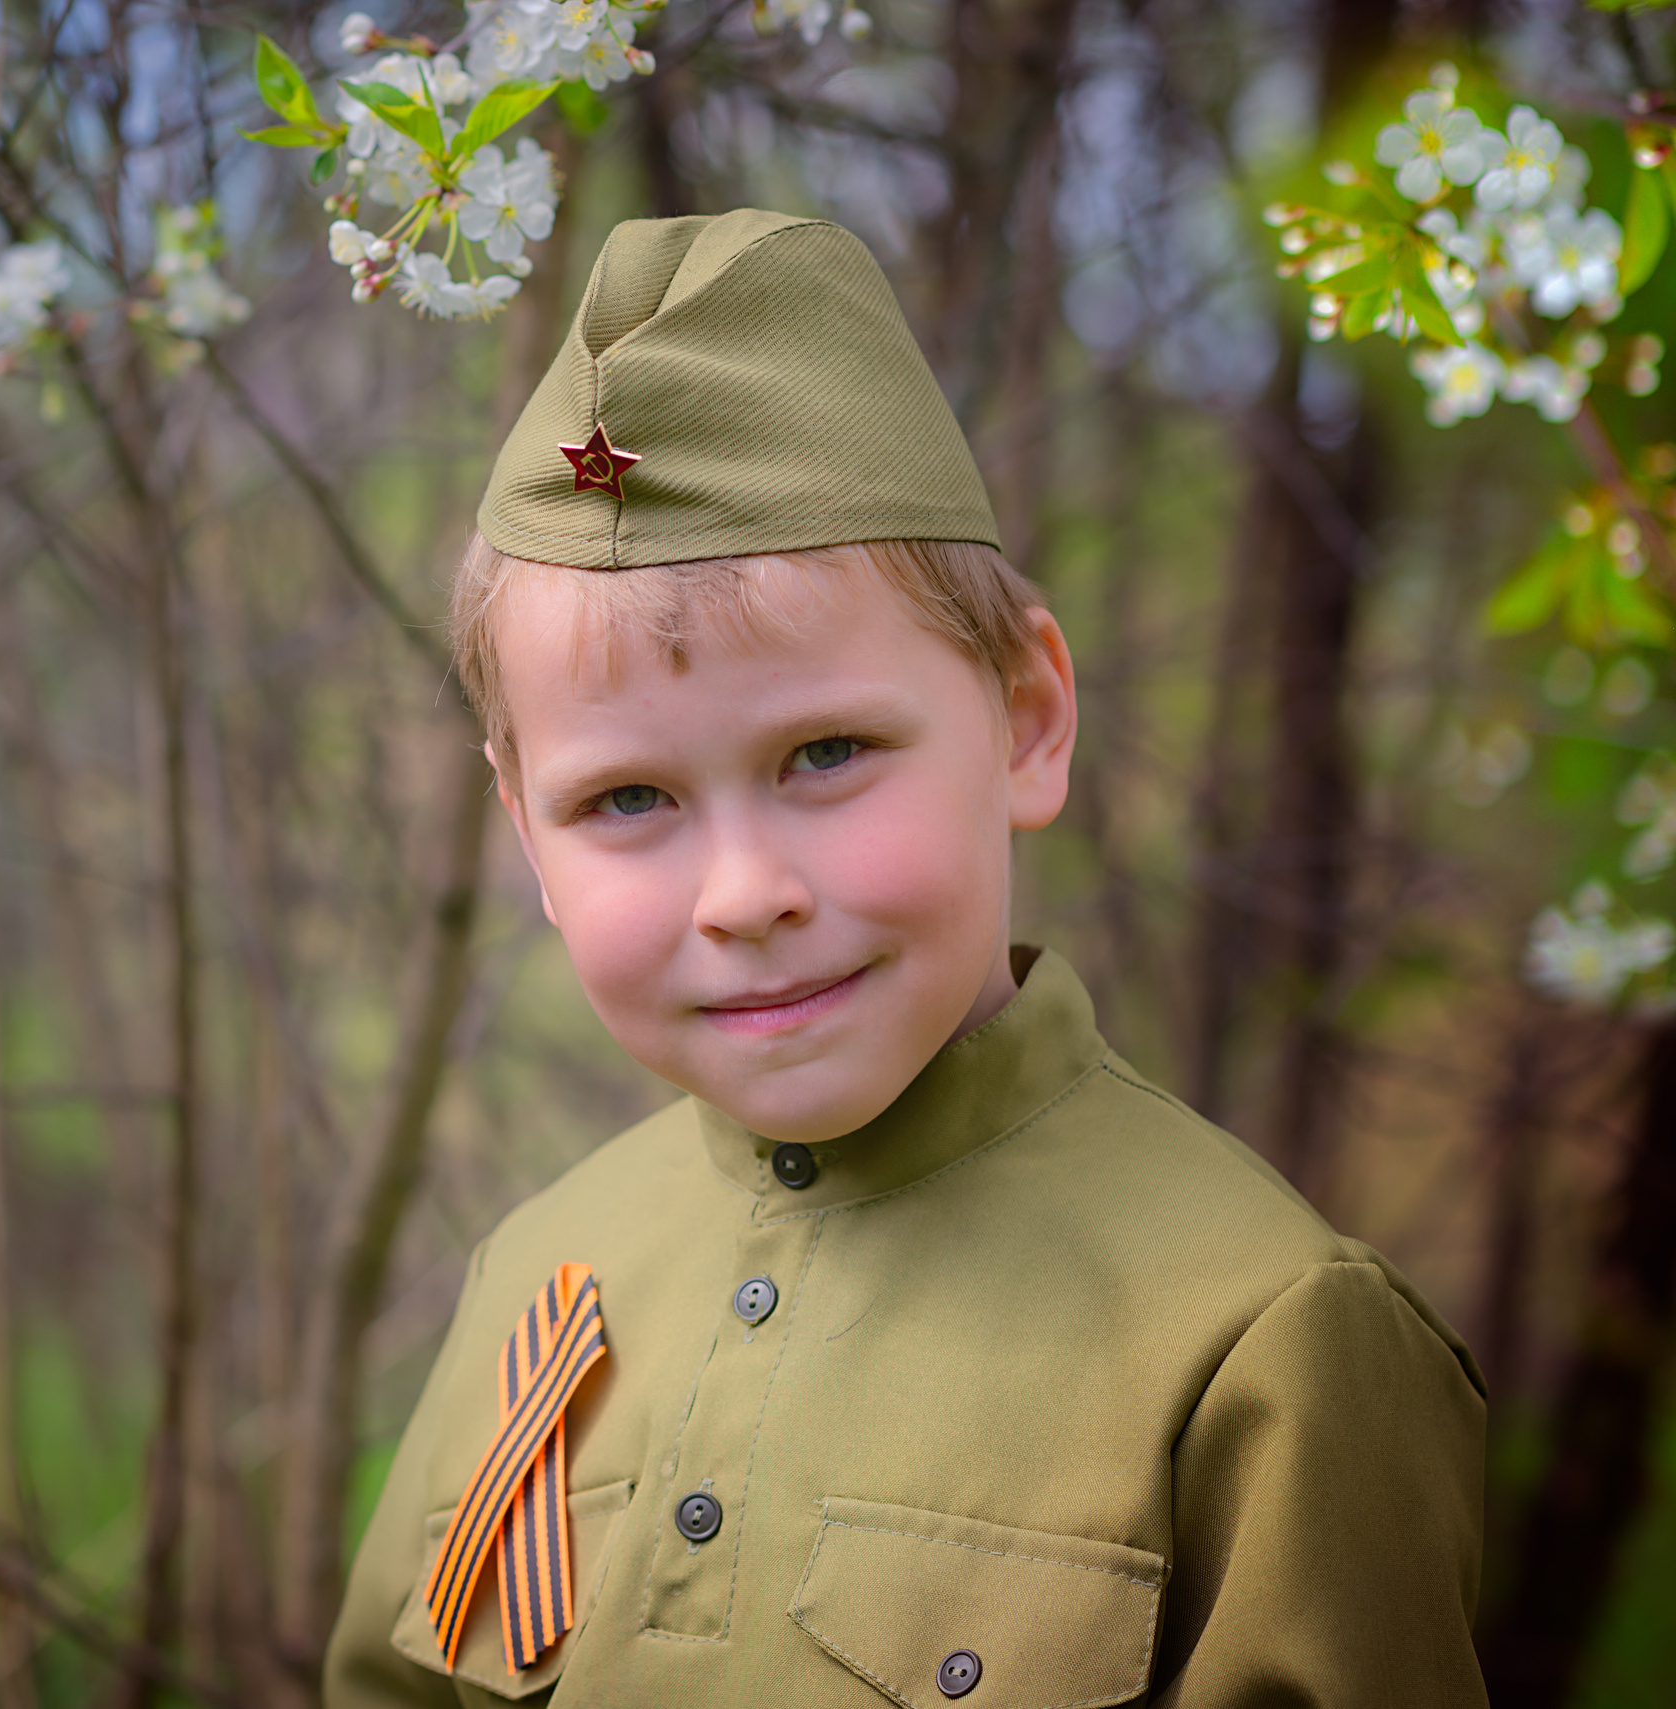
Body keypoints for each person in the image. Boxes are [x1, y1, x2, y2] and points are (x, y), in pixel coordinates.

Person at [324, 209, 1487, 1708]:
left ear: (1026, 721)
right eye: (626, 800)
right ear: (524, 830)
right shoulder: (540, 1273)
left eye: (825, 753)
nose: (744, 896)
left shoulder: (1265, 1340)